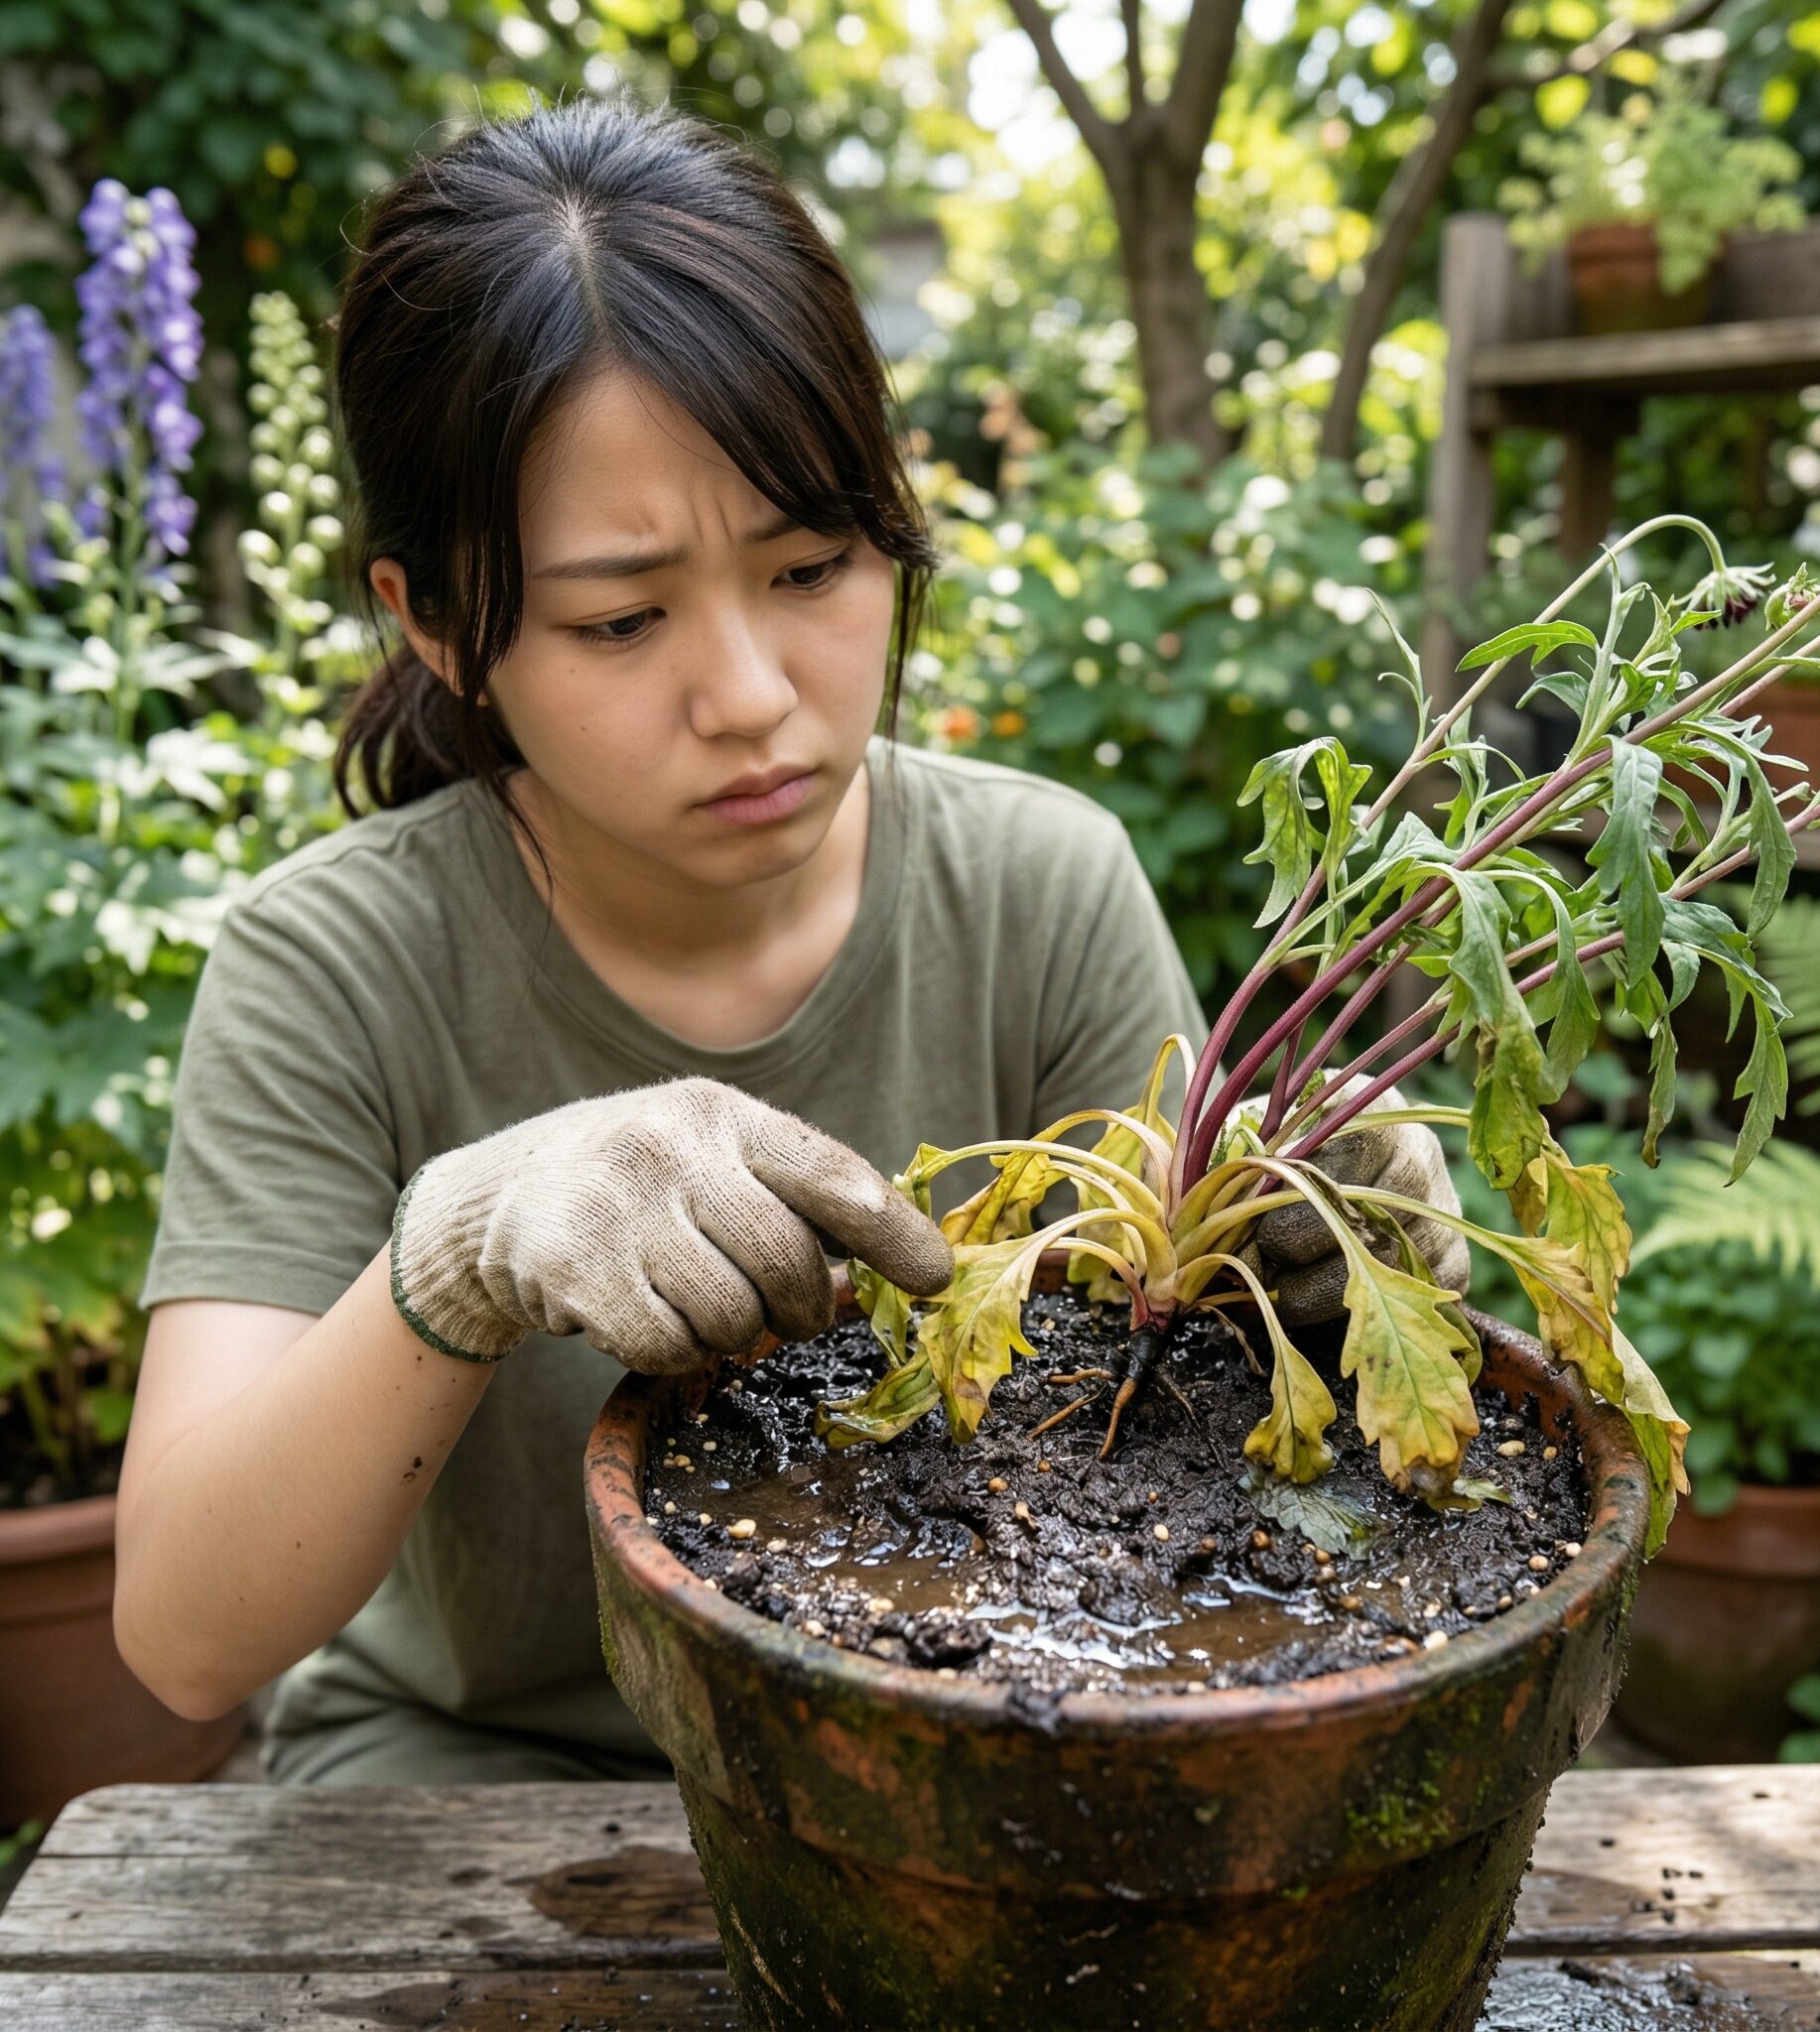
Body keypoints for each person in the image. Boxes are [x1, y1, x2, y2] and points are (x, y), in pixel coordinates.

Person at [112, 96, 1460, 1785]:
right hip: (480, 1777)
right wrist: (453, 1259)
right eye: (620, 618)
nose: (751, 699)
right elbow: (184, 1636)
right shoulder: (336, 965)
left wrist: (1324, 1277)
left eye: (812, 566)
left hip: (977, 1743)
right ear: (442, 626)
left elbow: (1204, 1475)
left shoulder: (1038, 890)